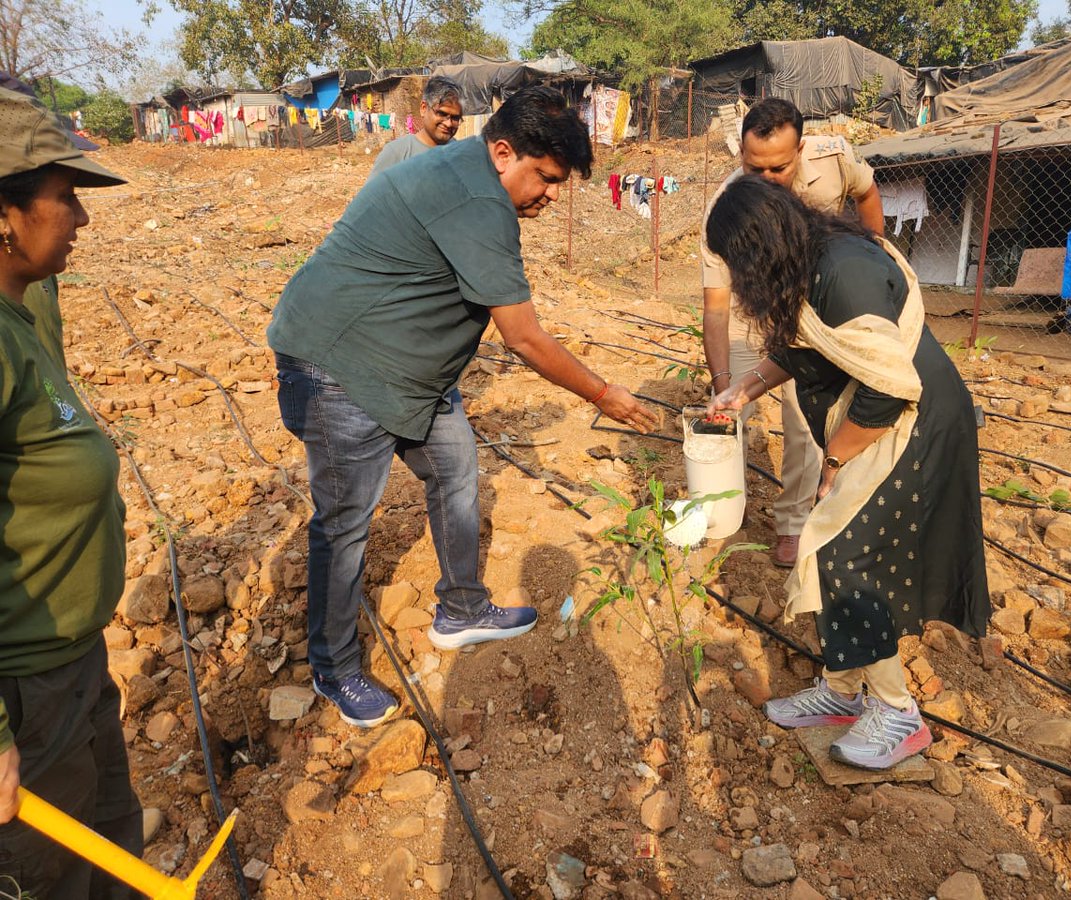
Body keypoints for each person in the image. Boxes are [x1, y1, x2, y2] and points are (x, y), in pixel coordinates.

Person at [268, 86, 656, 729]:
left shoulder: (469, 174)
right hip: (339, 365)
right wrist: (603, 393)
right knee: (344, 525)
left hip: (405, 372)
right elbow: (524, 336)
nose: (552, 195)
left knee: (456, 469)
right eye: (548, 179)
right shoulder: (478, 197)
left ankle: (463, 609)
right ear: (503, 153)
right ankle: (334, 670)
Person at [705, 177, 989, 770]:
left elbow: (888, 387)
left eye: (735, 261)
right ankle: (840, 694)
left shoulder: (844, 271)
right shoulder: (807, 265)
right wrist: (742, 390)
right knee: (839, 549)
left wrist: (833, 461)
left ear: (756, 248)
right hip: (880, 416)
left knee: (847, 554)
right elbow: (800, 347)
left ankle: (897, 715)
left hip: (912, 423)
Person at [0, 85, 143, 895]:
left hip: (72, 661)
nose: (82, 219)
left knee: (112, 849)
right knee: (50, 878)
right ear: (6, 213)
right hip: (25, 689)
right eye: (65, 199)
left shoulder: (24, 309)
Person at [701, 98, 884, 569]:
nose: (764, 180)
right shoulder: (727, 210)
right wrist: (725, 383)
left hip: (817, 301)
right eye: (752, 167)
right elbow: (718, 307)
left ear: (800, 148)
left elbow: (867, 194)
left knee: (804, 415)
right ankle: (725, 506)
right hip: (754, 306)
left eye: (777, 168)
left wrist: (875, 255)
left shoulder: (834, 157)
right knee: (729, 412)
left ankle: (792, 521)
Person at [369, 76, 464, 179]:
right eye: (441, 113)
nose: (448, 123)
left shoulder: (459, 153)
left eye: (455, 118)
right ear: (423, 108)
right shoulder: (397, 153)